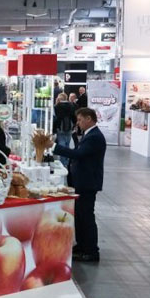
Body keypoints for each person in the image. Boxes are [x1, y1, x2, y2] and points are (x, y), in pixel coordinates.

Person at [48, 108, 106, 262]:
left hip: (88, 182)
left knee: (86, 216)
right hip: (82, 181)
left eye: (80, 120)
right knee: (80, 216)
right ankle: (82, 246)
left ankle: (91, 251)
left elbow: (78, 154)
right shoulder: (88, 135)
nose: (78, 123)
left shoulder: (94, 137)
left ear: (89, 119)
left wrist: (54, 146)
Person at [53, 93, 76, 166]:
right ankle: (66, 162)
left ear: (59, 98)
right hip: (69, 128)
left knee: (61, 145)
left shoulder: (57, 106)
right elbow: (74, 117)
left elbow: (55, 118)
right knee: (67, 145)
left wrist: (54, 129)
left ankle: (63, 163)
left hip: (60, 128)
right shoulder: (71, 105)